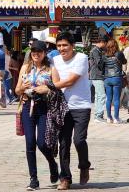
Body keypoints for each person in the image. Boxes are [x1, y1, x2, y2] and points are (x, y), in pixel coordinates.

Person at [34, 31, 91, 190]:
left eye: (65, 45)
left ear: (73, 46)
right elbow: (39, 66)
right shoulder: (54, 59)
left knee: (79, 140)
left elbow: (71, 81)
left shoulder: (81, 58)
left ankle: (84, 165)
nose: (62, 48)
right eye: (59, 45)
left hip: (81, 105)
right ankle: (65, 178)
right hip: (61, 106)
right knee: (63, 143)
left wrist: (48, 87)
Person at [16, 40, 60, 191]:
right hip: (28, 106)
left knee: (42, 143)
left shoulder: (51, 69)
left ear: (44, 53)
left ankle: (53, 164)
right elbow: (16, 90)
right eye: (33, 51)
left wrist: (46, 89)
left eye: (39, 51)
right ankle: (33, 179)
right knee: (29, 143)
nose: (35, 54)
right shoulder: (25, 68)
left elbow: (57, 89)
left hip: (44, 108)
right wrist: (22, 87)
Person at [101, 38, 126, 124]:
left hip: (107, 78)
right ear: (115, 45)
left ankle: (108, 117)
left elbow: (101, 67)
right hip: (116, 78)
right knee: (116, 99)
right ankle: (116, 118)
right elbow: (124, 62)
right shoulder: (119, 54)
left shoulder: (104, 55)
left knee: (108, 99)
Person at [87, 33, 107, 123]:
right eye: (105, 43)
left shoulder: (96, 50)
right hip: (97, 75)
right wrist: (106, 59)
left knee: (98, 96)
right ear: (102, 42)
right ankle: (98, 115)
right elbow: (99, 63)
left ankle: (98, 115)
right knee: (102, 96)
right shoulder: (95, 50)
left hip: (95, 75)